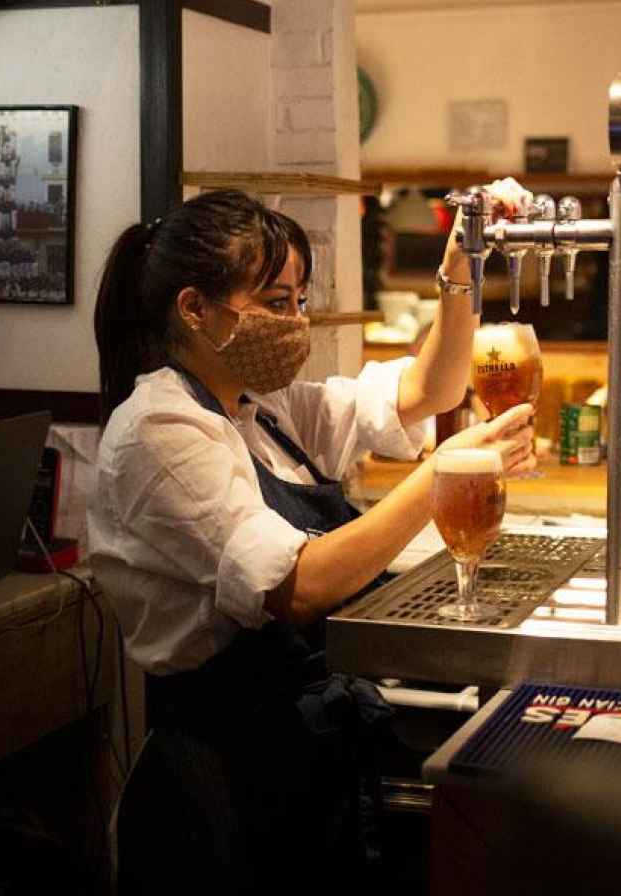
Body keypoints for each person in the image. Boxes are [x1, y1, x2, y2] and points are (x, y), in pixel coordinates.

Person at [90, 187, 534, 889]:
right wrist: (446, 477)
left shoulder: (263, 410)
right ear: (194, 309)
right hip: (221, 780)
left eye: (300, 300)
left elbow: (432, 386)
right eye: (274, 301)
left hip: (304, 752)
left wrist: (461, 264)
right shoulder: (158, 431)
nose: (295, 322)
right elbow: (300, 587)